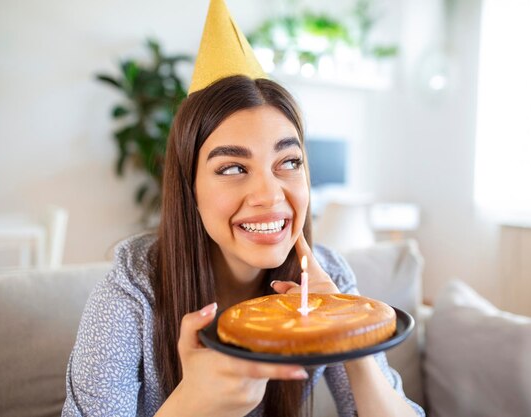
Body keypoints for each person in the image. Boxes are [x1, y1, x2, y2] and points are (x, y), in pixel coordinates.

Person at [62, 1, 425, 417]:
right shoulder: (133, 289)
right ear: (189, 188)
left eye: (288, 162)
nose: (270, 195)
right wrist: (190, 405)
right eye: (233, 167)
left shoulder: (329, 281)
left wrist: (352, 339)